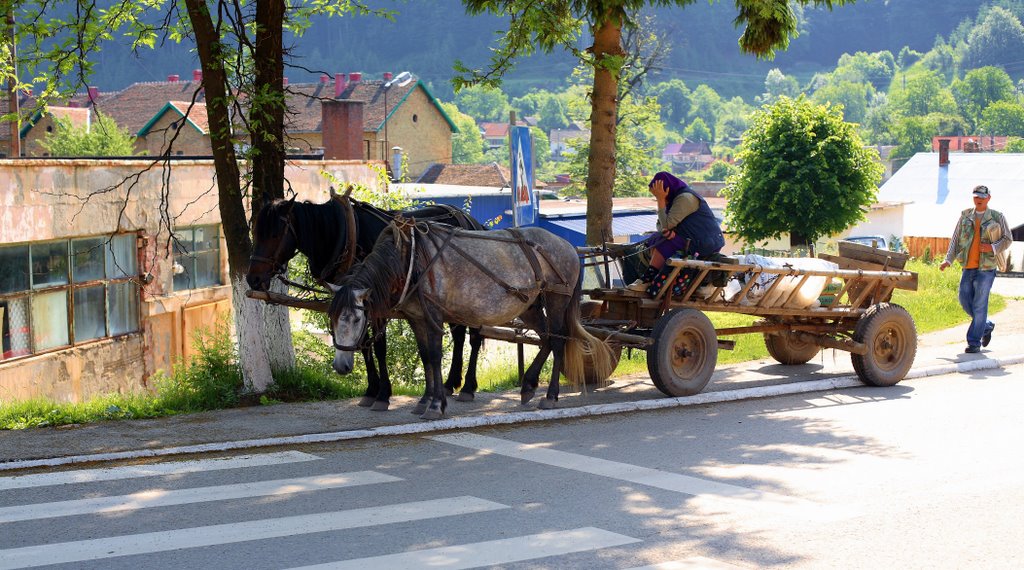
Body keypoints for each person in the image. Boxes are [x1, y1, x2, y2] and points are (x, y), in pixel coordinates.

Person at [939, 184, 1012, 354]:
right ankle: (985, 325)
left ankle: (974, 342)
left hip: (987, 268)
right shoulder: (965, 216)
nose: (978, 199)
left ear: (988, 198)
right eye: (975, 196)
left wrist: (992, 247)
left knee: (980, 304)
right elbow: (955, 240)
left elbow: (1008, 239)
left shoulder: (996, 216)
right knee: (964, 299)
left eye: (981, 196)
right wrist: (947, 260)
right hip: (968, 266)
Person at [627, 171, 725, 294]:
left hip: (705, 243)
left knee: (664, 243)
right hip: (691, 239)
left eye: (659, 194)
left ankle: (648, 279)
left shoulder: (685, 198)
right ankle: (652, 276)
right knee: (655, 238)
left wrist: (661, 200)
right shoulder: (674, 199)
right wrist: (668, 231)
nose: (658, 198)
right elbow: (661, 226)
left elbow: (666, 225)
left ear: (667, 189)